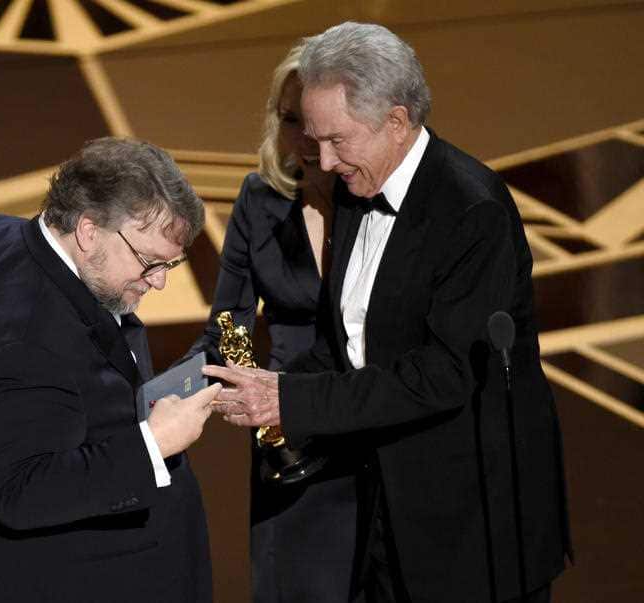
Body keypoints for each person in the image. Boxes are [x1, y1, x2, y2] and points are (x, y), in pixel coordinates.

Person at [205, 22, 572, 603]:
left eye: (337, 140)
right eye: (312, 136)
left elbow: (444, 373)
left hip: (470, 521)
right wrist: (261, 385)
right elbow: (347, 338)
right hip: (385, 502)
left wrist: (289, 400)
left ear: (396, 121)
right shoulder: (356, 188)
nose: (322, 160)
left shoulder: (473, 211)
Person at [0, 137, 222, 603]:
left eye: (171, 263)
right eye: (150, 262)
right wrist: (154, 444)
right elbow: (20, 491)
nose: (161, 281)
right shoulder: (30, 336)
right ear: (87, 230)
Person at [186, 44, 360, 601]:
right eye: (290, 122)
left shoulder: (378, 202)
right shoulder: (258, 200)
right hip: (288, 435)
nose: (304, 143)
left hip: (373, 419)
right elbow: (231, 328)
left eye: (315, 126)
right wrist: (263, 418)